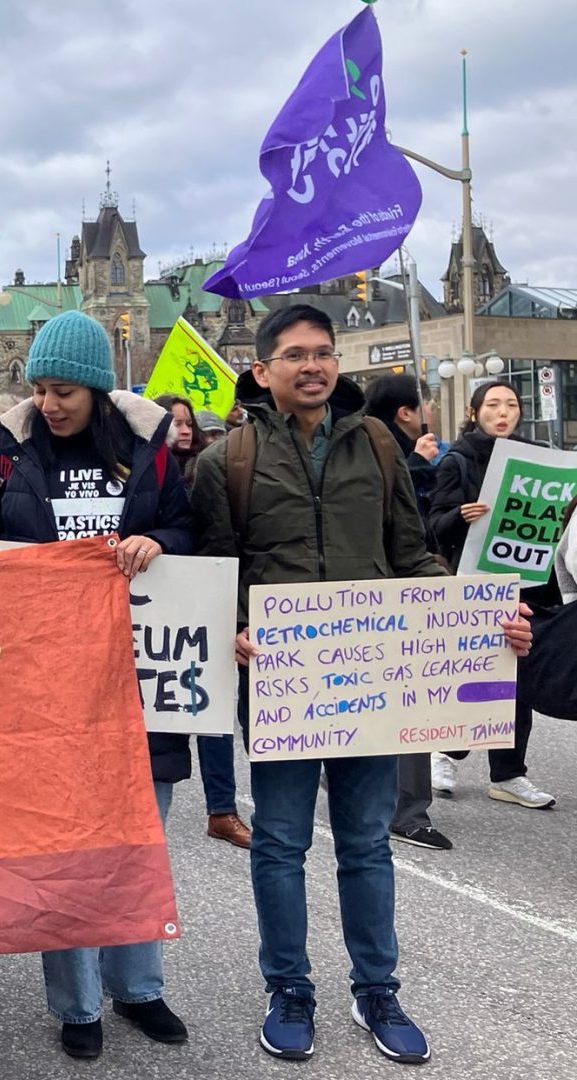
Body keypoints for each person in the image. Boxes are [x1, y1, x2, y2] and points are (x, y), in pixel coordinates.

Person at [191, 304, 532, 1066]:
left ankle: (377, 989)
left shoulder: (377, 443)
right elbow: (218, 571)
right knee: (279, 843)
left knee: (366, 845)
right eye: (295, 355)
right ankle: (289, 988)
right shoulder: (227, 461)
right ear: (262, 370)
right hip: (282, 684)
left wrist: (484, 623)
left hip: (372, 683)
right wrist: (235, 627)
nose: (312, 366)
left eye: (323, 352)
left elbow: (411, 558)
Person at [0, 310, 193, 1057]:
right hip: (43, 683)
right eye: (41, 389)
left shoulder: (151, 450)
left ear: (95, 389)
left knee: (138, 838)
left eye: (64, 391)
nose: (49, 404)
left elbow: (192, 533)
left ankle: (139, 988)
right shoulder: (8, 448)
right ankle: (78, 1005)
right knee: (62, 842)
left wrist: (158, 541)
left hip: (138, 676)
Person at [426, 379, 554, 810]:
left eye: (511, 404)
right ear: (474, 411)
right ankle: (446, 752)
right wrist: (461, 515)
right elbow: (434, 526)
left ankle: (509, 774)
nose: (503, 412)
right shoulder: (458, 460)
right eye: (493, 404)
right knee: (473, 674)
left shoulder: (535, 457)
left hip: (524, 583)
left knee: (519, 677)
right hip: (472, 585)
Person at [150, 397, 250, 850]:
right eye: (174, 422)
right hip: (158, 607)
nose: (184, 428)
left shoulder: (209, 469)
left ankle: (222, 810)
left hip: (204, 602)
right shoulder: (144, 473)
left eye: (188, 421)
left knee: (211, 713)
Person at [362, 374, 451, 850]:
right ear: (405, 412)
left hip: (409, 587)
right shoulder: (380, 454)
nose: (429, 412)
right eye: (425, 404)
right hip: (386, 596)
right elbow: (399, 523)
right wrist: (416, 468)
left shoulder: (404, 452)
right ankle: (408, 810)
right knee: (407, 700)